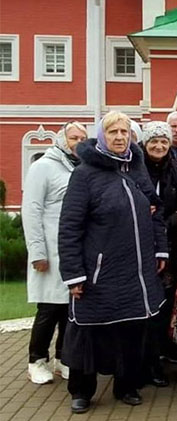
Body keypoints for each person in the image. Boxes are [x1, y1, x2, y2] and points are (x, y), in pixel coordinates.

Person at [58, 111, 168, 413]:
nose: (120, 137)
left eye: (124, 131)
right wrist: (74, 274)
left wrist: (161, 250)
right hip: (100, 271)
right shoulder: (85, 174)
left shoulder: (136, 166)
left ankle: (126, 385)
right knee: (90, 331)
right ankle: (81, 390)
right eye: (113, 132)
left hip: (137, 269)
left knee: (131, 330)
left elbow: (155, 208)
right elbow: (70, 226)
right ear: (102, 136)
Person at [22, 121, 87, 384]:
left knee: (69, 309)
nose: (78, 142)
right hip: (49, 250)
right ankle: (36, 360)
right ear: (61, 139)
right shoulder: (42, 167)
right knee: (48, 309)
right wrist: (37, 252)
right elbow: (31, 210)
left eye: (83, 138)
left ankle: (63, 358)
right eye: (73, 137)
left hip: (72, 251)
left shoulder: (79, 168)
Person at [140, 121, 177, 387]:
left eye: (163, 142)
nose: (158, 146)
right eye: (153, 142)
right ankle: (141, 361)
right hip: (139, 247)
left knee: (164, 305)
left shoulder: (176, 171)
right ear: (145, 144)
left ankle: (158, 358)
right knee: (142, 306)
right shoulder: (135, 170)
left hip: (169, 248)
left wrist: (166, 221)